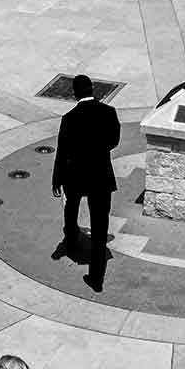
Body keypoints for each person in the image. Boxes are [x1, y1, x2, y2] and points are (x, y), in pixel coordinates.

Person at [52, 74, 120, 293]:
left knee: (71, 209)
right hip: (101, 176)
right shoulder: (109, 112)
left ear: (75, 93)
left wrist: (57, 179)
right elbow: (113, 141)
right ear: (93, 90)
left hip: (76, 176)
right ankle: (96, 277)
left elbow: (62, 152)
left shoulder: (69, 118)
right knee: (100, 228)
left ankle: (70, 241)